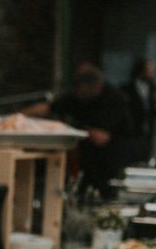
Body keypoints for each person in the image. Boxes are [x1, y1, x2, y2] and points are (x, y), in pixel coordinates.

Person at [37, 63, 133, 199]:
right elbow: (48, 107)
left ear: (94, 87)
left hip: (109, 162)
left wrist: (73, 127)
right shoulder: (79, 97)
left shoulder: (113, 99)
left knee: (101, 197)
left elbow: (101, 138)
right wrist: (17, 117)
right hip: (86, 163)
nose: (79, 95)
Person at [122, 57, 156, 164]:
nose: (152, 74)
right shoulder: (127, 89)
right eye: (149, 71)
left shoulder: (153, 89)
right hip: (131, 132)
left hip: (147, 132)